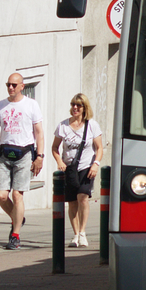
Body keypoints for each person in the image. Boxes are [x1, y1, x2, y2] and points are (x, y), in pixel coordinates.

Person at [0, 73, 45, 250]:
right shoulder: (0, 106)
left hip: (24, 153)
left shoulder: (31, 105)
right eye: (8, 85)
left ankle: (15, 235)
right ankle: (18, 217)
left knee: (17, 195)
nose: (10, 88)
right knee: (2, 195)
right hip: (4, 153)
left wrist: (39, 157)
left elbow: (39, 133)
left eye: (13, 85)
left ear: (21, 86)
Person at [51, 93, 104, 248]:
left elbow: (99, 148)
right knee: (72, 202)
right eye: (73, 104)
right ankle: (75, 235)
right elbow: (54, 147)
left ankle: (82, 232)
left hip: (86, 167)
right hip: (69, 168)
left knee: (83, 197)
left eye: (79, 105)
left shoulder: (92, 125)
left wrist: (96, 164)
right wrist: (59, 161)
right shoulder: (63, 126)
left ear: (84, 108)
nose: (75, 108)